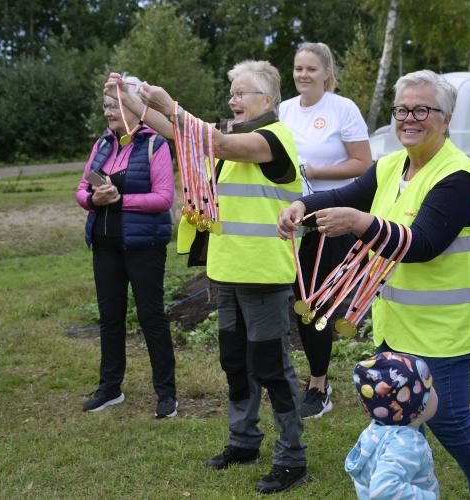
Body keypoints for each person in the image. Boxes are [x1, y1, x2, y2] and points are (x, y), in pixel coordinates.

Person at [278, 70, 470, 499]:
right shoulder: (391, 165)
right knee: (398, 415)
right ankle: (406, 487)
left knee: (449, 419)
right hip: (396, 324)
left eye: (422, 109)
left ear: (447, 117)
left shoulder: (460, 177)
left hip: (443, 331)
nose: (409, 118)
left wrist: (362, 224)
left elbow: (422, 244)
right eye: (402, 109)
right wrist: (301, 204)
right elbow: (343, 194)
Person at [105, 60, 308, 494]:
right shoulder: (232, 136)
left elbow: (209, 140)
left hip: (263, 272)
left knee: (271, 366)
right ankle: (244, 441)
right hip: (226, 269)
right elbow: (181, 132)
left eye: (241, 93)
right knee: (235, 362)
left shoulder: (274, 138)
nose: (232, 99)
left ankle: (292, 457)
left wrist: (170, 105)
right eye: (231, 91)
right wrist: (130, 100)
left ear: (267, 100)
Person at [278, 41, 371, 419]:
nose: (303, 75)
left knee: (313, 301)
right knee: (289, 299)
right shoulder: (283, 109)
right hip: (288, 217)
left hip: (328, 217)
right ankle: (280, 376)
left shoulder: (342, 108)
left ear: (327, 73)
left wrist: (314, 173)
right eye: (298, 68)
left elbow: (364, 164)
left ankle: (318, 385)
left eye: (311, 69)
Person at [75, 76, 177, 419]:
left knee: (151, 317)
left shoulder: (155, 145)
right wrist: (92, 197)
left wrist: (118, 200)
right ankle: (109, 389)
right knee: (110, 317)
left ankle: (166, 394)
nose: (109, 113)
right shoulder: (101, 144)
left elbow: (164, 198)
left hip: (143, 246)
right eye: (105, 106)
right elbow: (80, 190)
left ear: (135, 108)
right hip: (104, 245)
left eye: (115, 105)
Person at [345, 352, 439, 499]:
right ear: (418, 407)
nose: (435, 390)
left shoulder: (374, 432)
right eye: (430, 387)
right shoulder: (407, 444)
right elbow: (383, 489)